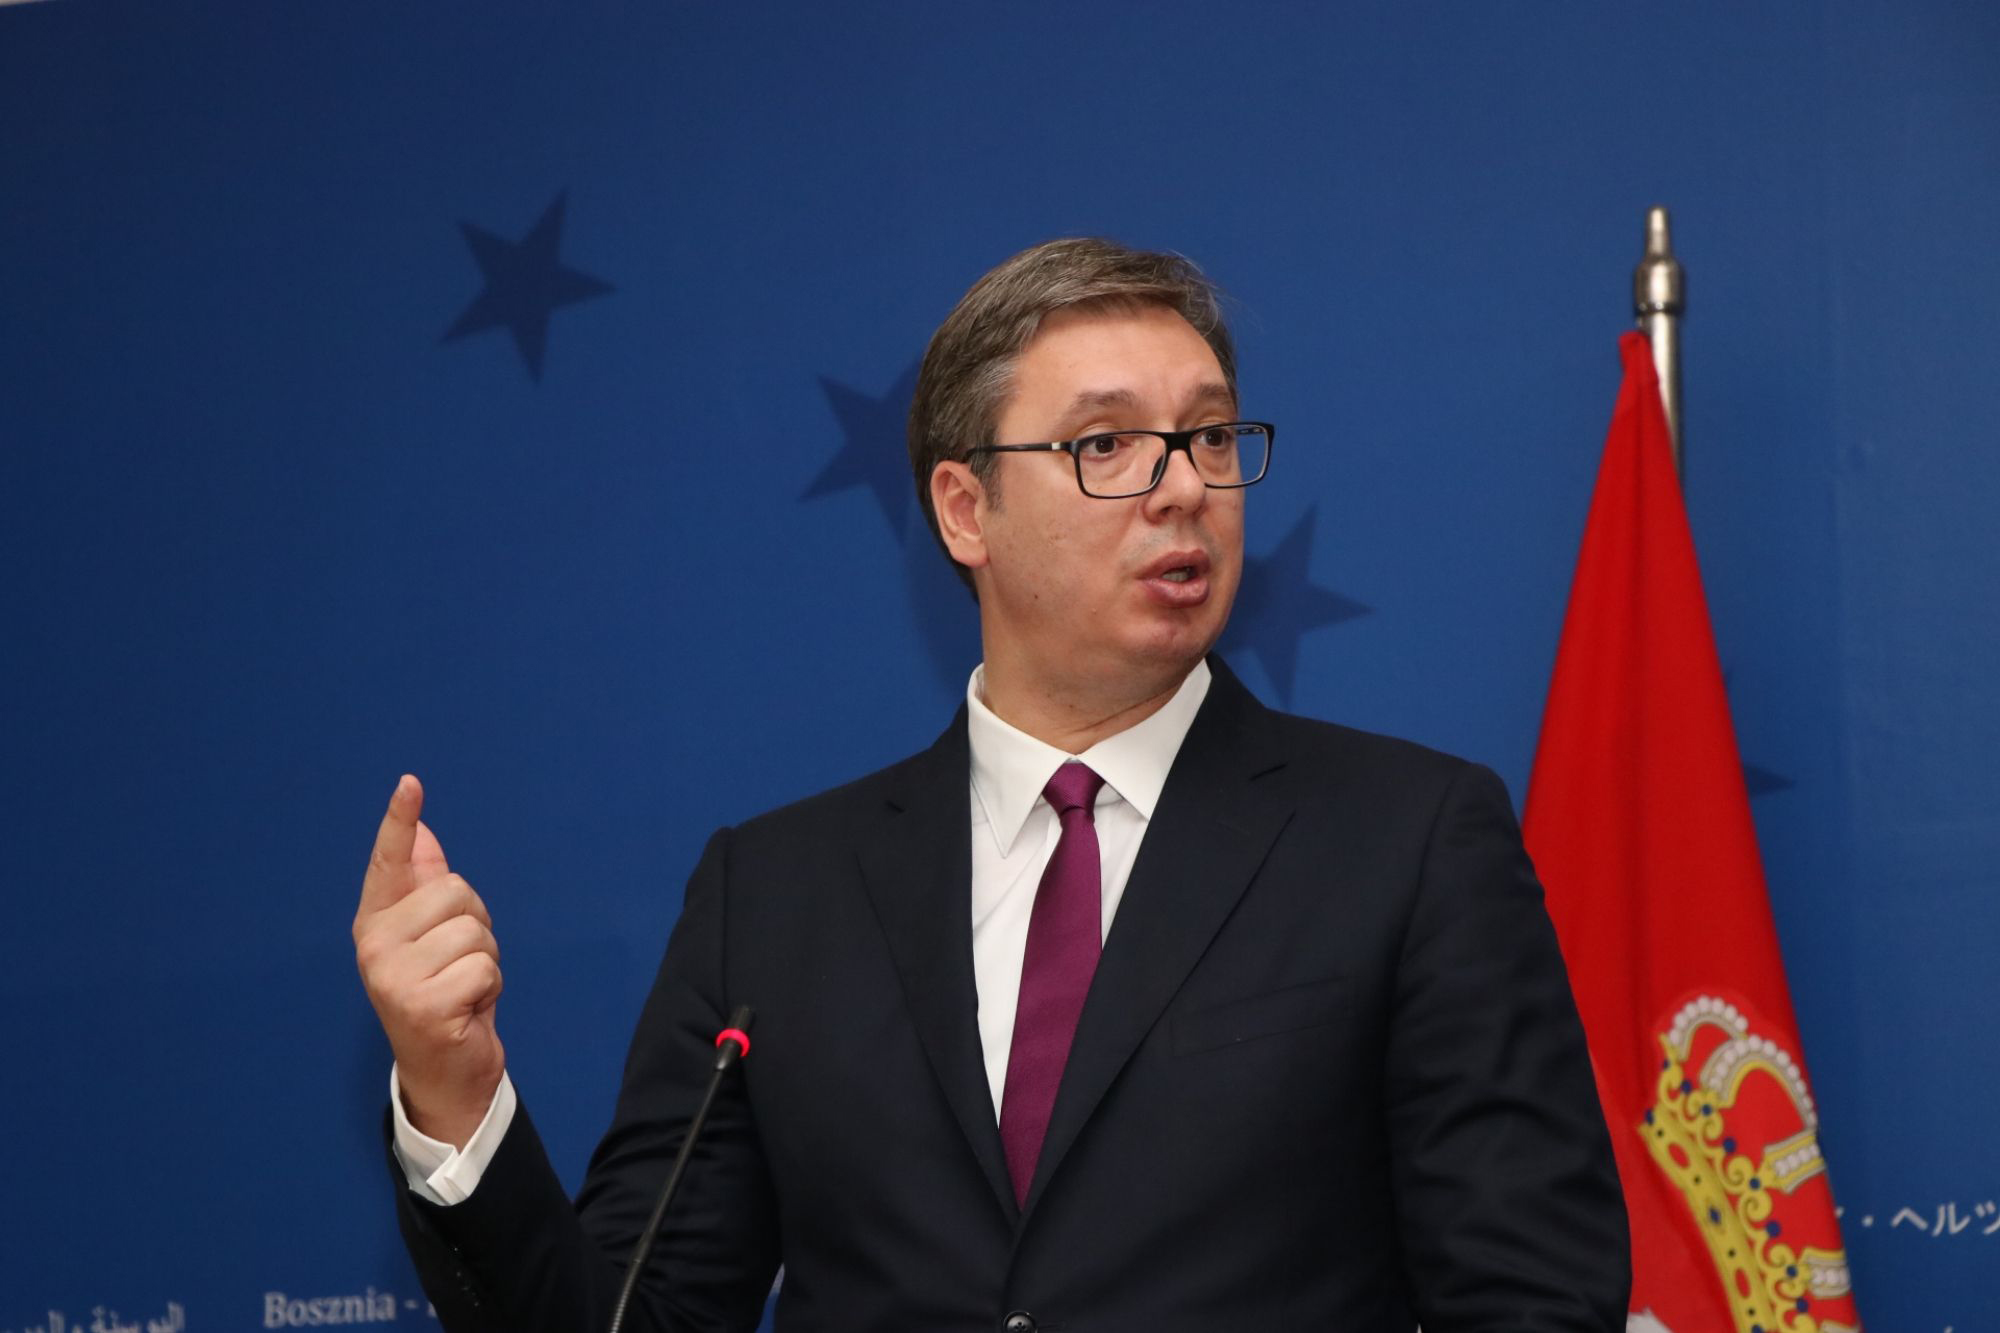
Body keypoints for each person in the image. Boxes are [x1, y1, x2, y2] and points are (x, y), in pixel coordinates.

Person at [354, 237, 1630, 1331]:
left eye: (1208, 434)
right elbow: (646, 1314)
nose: (1184, 486)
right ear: (965, 510)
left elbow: (1528, 1300)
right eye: (1107, 443)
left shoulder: (1405, 842)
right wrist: (453, 1091)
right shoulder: (775, 895)